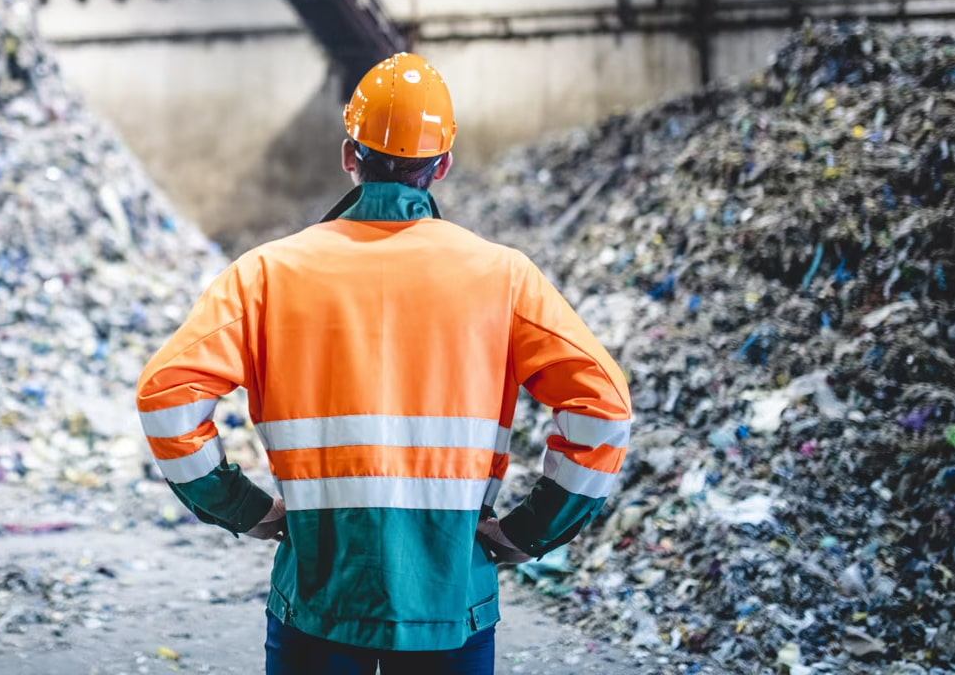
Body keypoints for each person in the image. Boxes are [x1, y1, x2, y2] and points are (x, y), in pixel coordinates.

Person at [136, 52, 633, 674]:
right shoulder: (503, 278)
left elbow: (167, 397)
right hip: (451, 602)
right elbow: (603, 409)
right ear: (443, 165)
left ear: (350, 155)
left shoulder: (266, 275)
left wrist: (245, 509)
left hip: (318, 597)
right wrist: (530, 529)